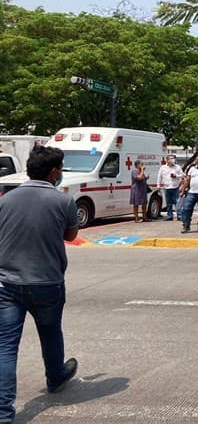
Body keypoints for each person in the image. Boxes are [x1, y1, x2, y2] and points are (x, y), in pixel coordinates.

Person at [0, 146, 79, 422]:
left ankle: (3, 414)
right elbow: (70, 235)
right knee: (50, 332)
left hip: (7, 283)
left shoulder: (6, 199)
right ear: (54, 171)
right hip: (47, 282)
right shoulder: (64, 201)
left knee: (6, 348)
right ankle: (55, 377)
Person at [157, 154, 183, 221]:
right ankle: (169, 215)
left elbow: (183, 175)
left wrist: (176, 176)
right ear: (167, 160)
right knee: (168, 203)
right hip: (166, 187)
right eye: (171, 158)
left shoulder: (177, 167)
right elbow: (159, 177)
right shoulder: (163, 167)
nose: (172, 160)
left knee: (177, 202)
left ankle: (179, 215)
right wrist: (158, 185)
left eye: (173, 158)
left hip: (175, 187)